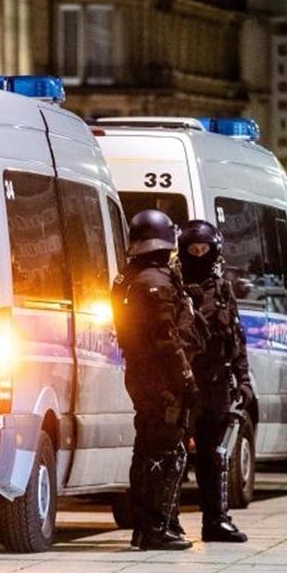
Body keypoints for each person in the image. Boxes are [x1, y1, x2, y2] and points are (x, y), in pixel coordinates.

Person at [111, 210, 203, 550]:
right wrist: (187, 377)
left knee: (147, 448)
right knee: (165, 452)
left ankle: (146, 527)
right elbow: (167, 338)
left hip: (141, 373)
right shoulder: (157, 283)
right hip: (162, 379)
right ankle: (155, 528)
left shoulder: (126, 279)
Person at [174, 219, 251, 543]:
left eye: (205, 249)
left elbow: (235, 335)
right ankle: (168, 521)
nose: (199, 255)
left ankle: (216, 519)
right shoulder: (174, 287)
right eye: (193, 250)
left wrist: (243, 378)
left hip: (217, 380)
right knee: (175, 453)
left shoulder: (222, 289)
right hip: (185, 381)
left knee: (215, 454)